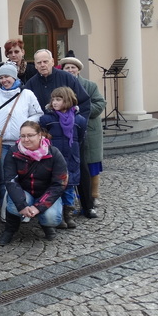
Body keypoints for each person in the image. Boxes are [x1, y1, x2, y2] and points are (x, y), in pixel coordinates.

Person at [25, 48, 96, 219]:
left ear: (52, 61)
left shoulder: (67, 78)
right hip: (48, 135)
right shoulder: (31, 84)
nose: (42, 65)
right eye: (39, 63)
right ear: (35, 65)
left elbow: (84, 102)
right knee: (49, 172)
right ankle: (51, 209)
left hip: (72, 133)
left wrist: (78, 124)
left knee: (79, 168)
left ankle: (87, 206)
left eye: (45, 61)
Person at [0, 121, 68, 245]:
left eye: (30, 135)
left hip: (46, 192)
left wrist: (38, 207)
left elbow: (60, 183)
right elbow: (10, 180)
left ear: (40, 135)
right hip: (24, 191)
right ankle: (10, 229)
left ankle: (46, 225)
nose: (26, 139)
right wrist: (22, 205)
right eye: (23, 136)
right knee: (14, 206)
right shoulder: (13, 152)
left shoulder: (54, 153)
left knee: (51, 217)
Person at [0, 63, 43, 208]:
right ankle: (6, 210)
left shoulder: (27, 94)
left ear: (14, 77)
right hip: (2, 144)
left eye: (7, 77)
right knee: (5, 179)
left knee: (24, 178)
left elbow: (37, 114)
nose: (4, 80)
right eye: (1, 77)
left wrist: (26, 126)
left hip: (23, 144)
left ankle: (22, 207)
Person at [60, 56, 106, 208]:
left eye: (73, 67)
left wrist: (81, 111)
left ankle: (94, 196)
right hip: (68, 131)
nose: (70, 70)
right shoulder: (61, 87)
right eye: (67, 68)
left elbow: (100, 103)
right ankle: (73, 197)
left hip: (89, 129)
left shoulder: (90, 85)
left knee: (91, 165)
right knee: (71, 165)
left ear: (78, 70)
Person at [39, 87, 87, 230]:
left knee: (69, 187)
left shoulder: (79, 120)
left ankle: (68, 214)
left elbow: (80, 138)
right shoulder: (47, 119)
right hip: (53, 159)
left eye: (58, 99)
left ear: (67, 100)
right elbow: (43, 139)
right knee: (55, 187)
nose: (54, 102)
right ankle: (58, 215)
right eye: (53, 99)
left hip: (71, 158)